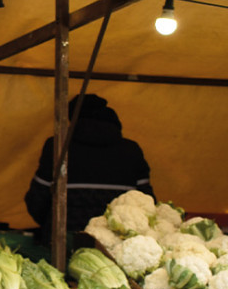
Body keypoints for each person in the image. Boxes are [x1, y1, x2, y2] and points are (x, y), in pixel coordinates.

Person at [24, 93, 155, 244]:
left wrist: (51, 223)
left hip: (63, 240)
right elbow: (148, 201)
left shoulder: (57, 146)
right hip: (116, 244)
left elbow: (37, 199)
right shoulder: (131, 150)